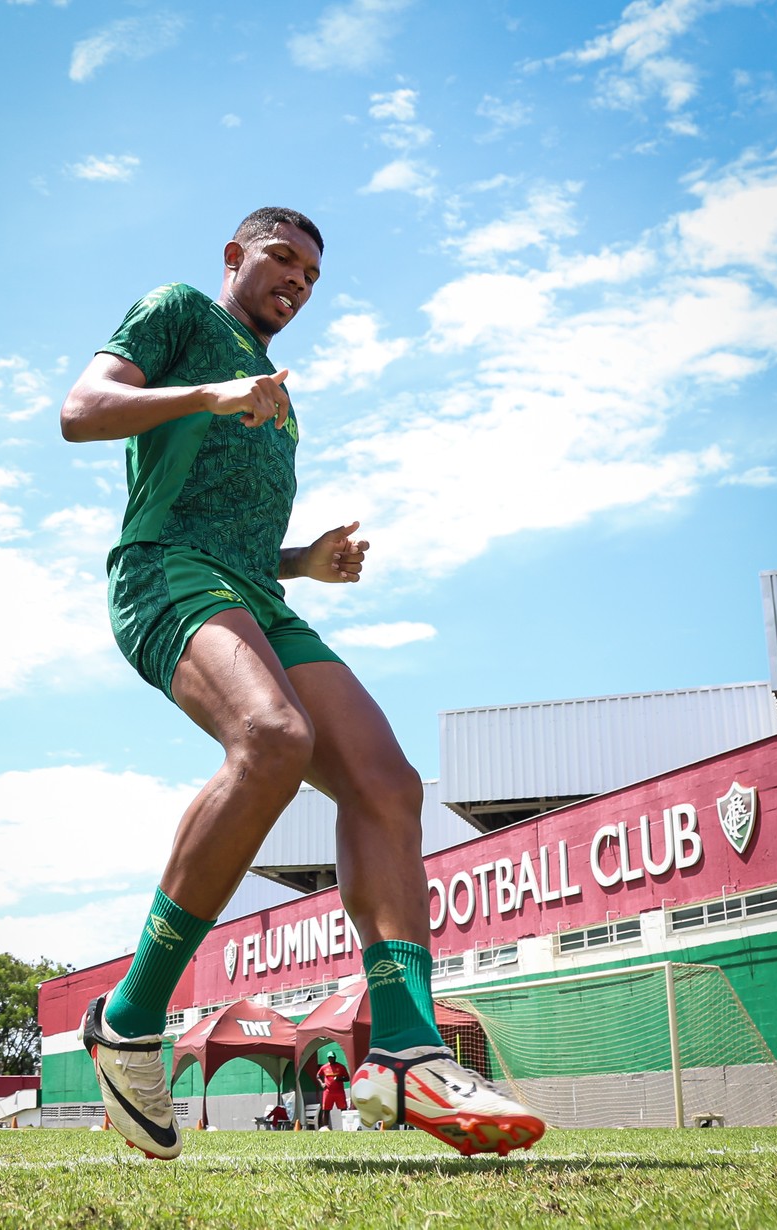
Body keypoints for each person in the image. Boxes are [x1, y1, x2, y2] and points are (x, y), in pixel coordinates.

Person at [61, 206, 546, 1162]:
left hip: (251, 590)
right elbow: (81, 412)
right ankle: (130, 1018)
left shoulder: (280, 393)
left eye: (313, 276)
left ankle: (406, 1049)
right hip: (164, 570)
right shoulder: (181, 316)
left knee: (386, 783)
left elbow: (237, 533)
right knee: (273, 740)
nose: (298, 281)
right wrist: (213, 393)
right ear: (235, 254)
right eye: (283, 259)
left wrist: (303, 563)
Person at [316, 1051, 350, 1129]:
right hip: (328, 1092)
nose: (331, 1059)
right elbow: (318, 1075)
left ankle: (346, 1126)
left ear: (335, 1058)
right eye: (330, 1058)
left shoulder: (341, 1067)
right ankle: (325, 1127)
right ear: (328, 1058)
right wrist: (322, 1083)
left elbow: (347, 1078)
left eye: (332, 1057)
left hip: (339, 1092)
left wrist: (340, 1078)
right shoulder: (324, 1067)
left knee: (343, 1109)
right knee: (326, 1110)